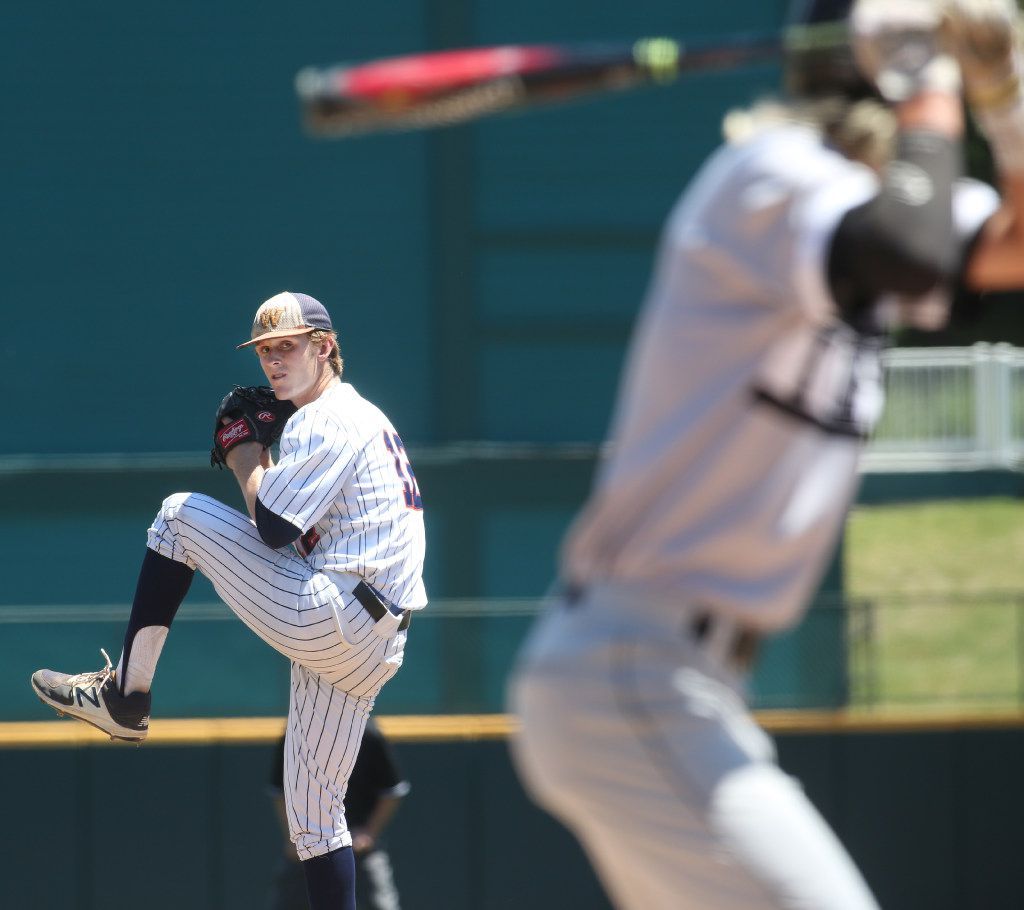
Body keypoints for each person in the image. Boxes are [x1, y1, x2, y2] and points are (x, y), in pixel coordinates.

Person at [509, 0, 1024, 907]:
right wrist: (936, 83)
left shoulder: (868, 198)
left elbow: (1007, 248)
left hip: (683, 684)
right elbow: (907, 250)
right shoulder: (769, 176)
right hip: (633, 661)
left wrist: (1005, 99)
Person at [31, 290, 427, 910]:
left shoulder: (330, 417)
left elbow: (272, 526)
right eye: (265, 349)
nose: (273, 360)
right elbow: (299, 538)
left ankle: (126, 698)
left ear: (324, 347)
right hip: (372, 640)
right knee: (315, 820)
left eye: (288, 346)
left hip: (336, 615)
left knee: (177, 517)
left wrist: (244, 447)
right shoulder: (354, 418)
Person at [267, 719, 409, 910]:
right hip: (307, 846)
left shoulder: (367, 733)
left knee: (382, 903)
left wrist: (369, 833)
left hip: (358, 849)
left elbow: (392, 792)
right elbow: (280, 792)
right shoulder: (297, 731)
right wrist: (292, 837)